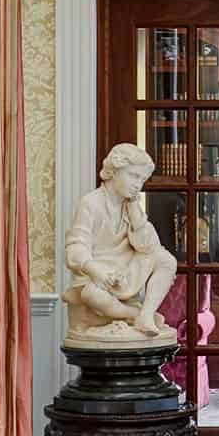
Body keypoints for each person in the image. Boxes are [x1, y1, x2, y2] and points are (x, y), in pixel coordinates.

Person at [62, 143, 178, 340]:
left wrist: (136, 215)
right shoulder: (91, 203)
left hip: (124, 272)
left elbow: (148, 247)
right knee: (92, 295)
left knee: (166, 260)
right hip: (97, 276)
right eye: (133, 176)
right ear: (113, 172)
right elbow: (76, 246)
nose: (137, 184)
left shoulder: (130, 205)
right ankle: (134, 315)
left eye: (142, 180)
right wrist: (94, 268)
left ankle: (147, 313)